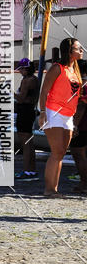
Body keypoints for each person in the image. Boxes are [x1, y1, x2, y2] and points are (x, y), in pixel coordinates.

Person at [39, 38, 84, 197]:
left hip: (68, 115)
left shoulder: (75, 70)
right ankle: (49, 190)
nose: (81, 51)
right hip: (54, 112)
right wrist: (43, 112)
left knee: (61, 153)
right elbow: (44, 91)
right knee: (56, 152)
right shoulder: (57, 68)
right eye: (78, 49)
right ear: (70, 51)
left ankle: (54, 189)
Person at [14, 57, 39, 180]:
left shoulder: (26, 81)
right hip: (30, 110)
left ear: (26, 69)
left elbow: (21, 99)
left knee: (25, 143)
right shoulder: (35, 79)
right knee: (30, 142)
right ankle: (32, 170)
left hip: (24, 111)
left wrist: (8, 91)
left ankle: (26, 171)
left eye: (21, 69)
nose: (19, 72)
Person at [69, 64, 87, 194]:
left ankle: (84, 182)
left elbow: (81, 106)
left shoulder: (83, 86)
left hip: (83, 124)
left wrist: (75, 125)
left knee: (78, 153)